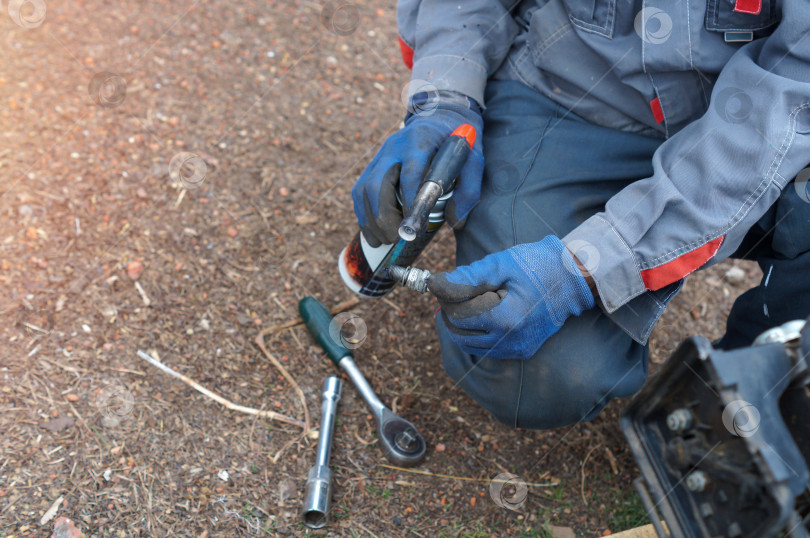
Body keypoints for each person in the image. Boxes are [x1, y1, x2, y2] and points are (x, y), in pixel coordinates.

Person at [351, 0, 810, 430]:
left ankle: (747, 407)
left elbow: (785, 107)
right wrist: (445, 100)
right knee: (541, 377)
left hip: (763, 133)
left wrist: (582, 270)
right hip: (571, 99)